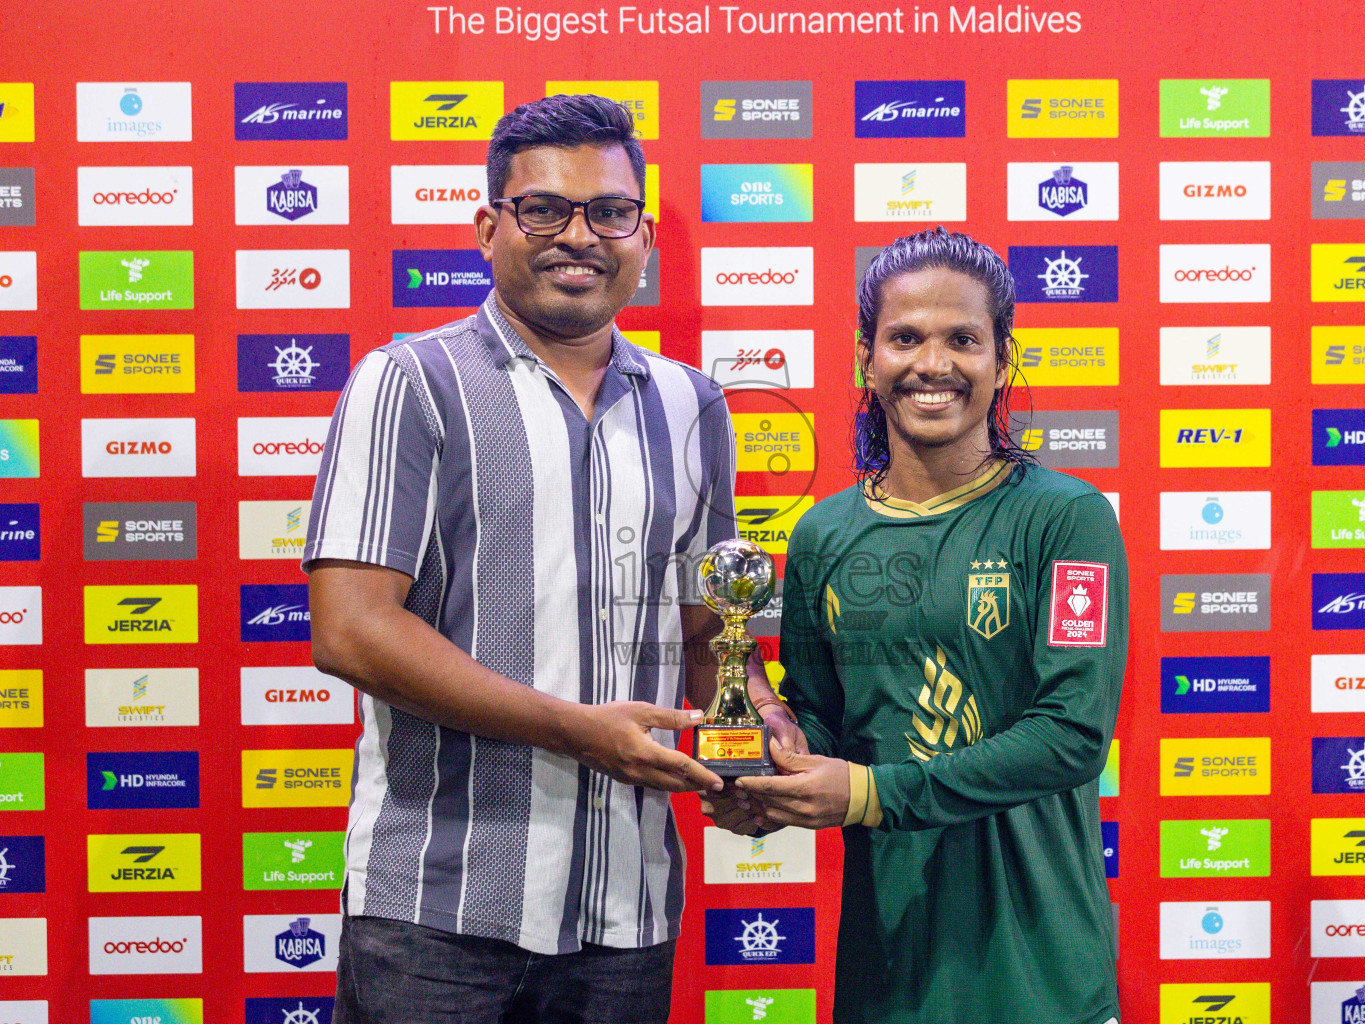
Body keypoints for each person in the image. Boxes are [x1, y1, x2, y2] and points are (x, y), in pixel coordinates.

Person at [304, 94, 789, 1024]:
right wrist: (575, 728)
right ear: (489, 227)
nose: (580, 235)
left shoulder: (694, 407)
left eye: (609, 211)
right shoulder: (411, 383)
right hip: (438, 912)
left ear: (643, 236)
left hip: (626, 913)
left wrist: (759, 727)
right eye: (544, 210)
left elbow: (708, 630)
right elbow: (351, 631)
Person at [710, 227, 1127, 1024]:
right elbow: (825, 725)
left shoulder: (1067, 519)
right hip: (887, 974)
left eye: (962, 339)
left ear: (1003, 360)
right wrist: (767, 782)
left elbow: (1073, 735)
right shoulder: (824, 535)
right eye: (905, 338)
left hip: (1041, 979)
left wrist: (867, 794)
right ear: (867, 358)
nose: (932, 364)